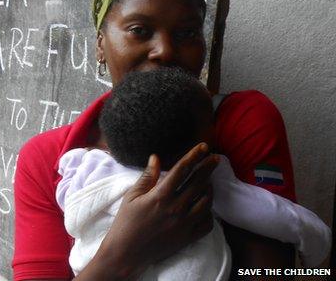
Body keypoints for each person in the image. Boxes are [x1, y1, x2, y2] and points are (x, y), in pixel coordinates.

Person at [12, 0, 299, 281]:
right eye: (139, 30)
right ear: (101, 44)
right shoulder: (48, 158)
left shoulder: (241, 120)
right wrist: (126, 250)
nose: (164, 50)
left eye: (186, 33)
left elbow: (274, 272)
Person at [56, 68, 331, 279]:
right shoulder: (199, 176)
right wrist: (317, 239)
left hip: (89, 266)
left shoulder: (87, 164)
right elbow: (269, 213)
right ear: (199, 143)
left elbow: (67, 191)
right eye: (211, 120)